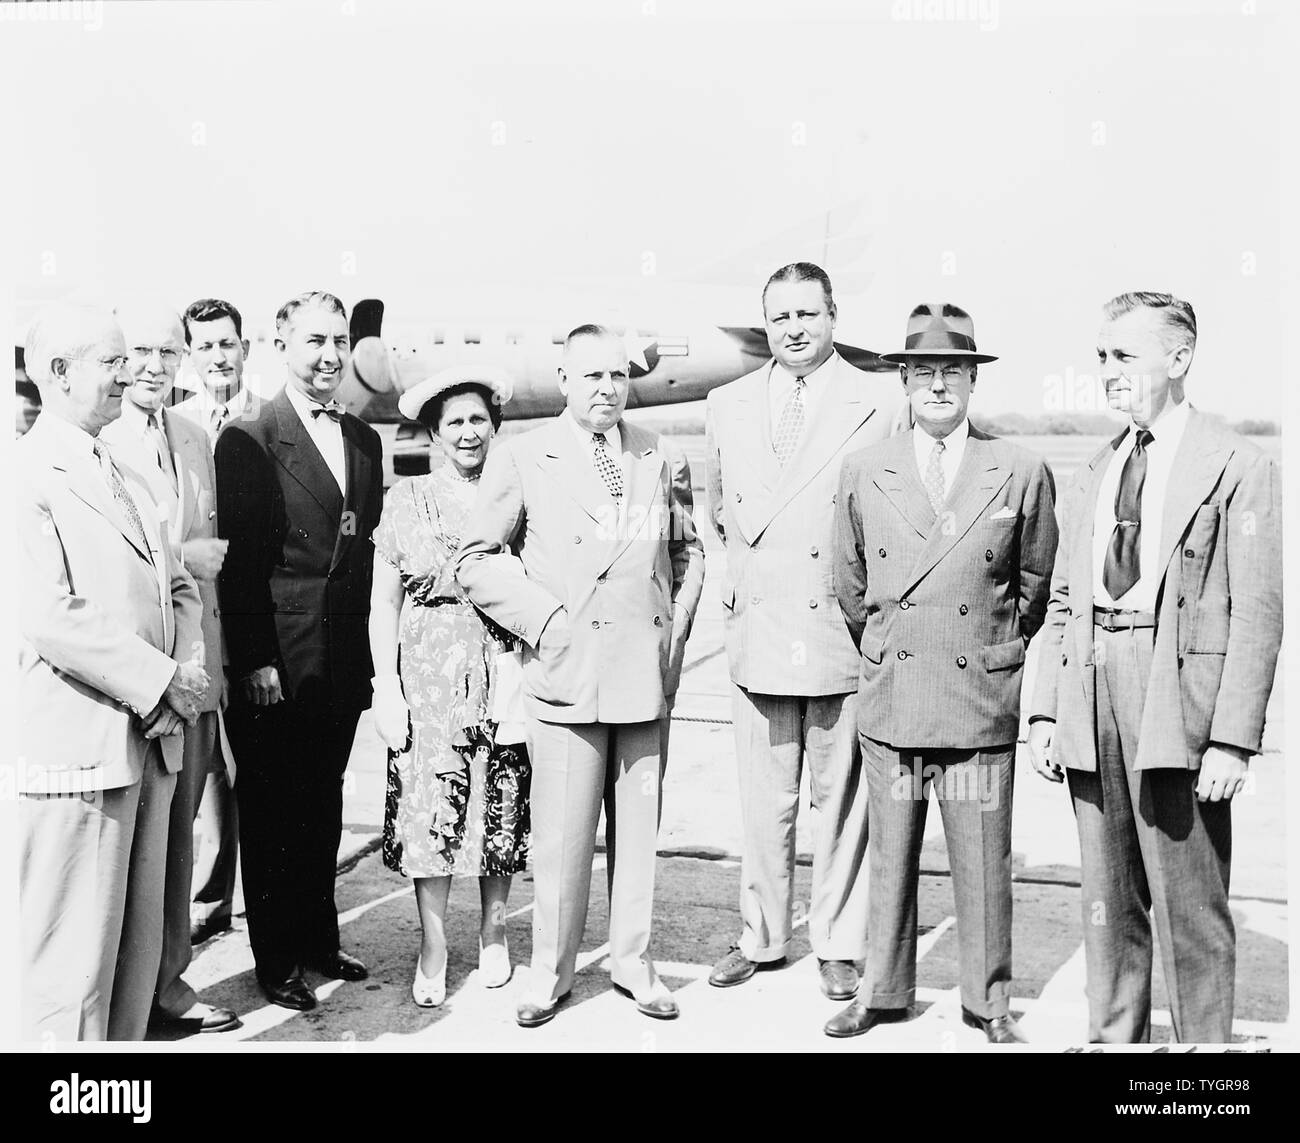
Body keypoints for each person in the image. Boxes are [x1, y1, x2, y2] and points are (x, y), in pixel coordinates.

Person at [1027, 292, 1282, 1043]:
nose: (1106, 372)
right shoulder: (1098, 466)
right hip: (1093, 680)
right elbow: (1066, 597)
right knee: (1107, 891)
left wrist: (1233, 739)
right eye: (1101, 357)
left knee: (1188, 894)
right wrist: (1046, 710)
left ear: (1179, 359)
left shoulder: (1239, 464)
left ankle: (1200, 1054)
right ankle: (1115, 1038)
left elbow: (1258, 614)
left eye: (1123, 356)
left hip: (1180, 698)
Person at [456, 324, 705, 1027]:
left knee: (638, 831)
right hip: (566, 671)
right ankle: (550, 972)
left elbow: (688, 553)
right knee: (562, 838)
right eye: (591, 376)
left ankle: (633, 962)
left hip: (643, 674)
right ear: (563, 379)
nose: (606, 388)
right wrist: (547, 620)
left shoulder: (659, 453)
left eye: (618, 376)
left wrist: (674, 630)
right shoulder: (525, 456)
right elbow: (475, 560)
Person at [825, 303, 1058, 1042]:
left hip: (975, 699)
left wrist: (992, 653)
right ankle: (883, 990)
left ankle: (989, 1003)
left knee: (985, 864)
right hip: (896, 695)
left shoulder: (1020, 468)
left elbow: (1032, 588)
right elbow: (851, 584)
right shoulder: (864, 468)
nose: (936, 385)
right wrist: (891, 649)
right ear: (902, 380)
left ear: (971, 380)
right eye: (921, 371)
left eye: (951, 371)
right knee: (890, 856)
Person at [702, 262, 901, 1000]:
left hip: (838, 627)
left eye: (807, 314)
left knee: (840, 795)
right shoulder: (726, 402)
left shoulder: (879, 398)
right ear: (766, 322)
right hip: (759, 629)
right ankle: (760, 935)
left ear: (833, 316)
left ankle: (839, 943)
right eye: (780, 316)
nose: (794, 328)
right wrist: (731, 580)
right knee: (764, 797)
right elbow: (716, 509)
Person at [16, 303, 209, 1041]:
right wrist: (161, 683)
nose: (130, 373)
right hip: (84, 752)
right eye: (113, 361)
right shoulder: (28, 473)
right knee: (73, 976)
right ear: (59, 374)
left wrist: (180, 679)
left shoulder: (126, 470)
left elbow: (180, 587)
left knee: (133, 967)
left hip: (149, 749)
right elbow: (47, 613)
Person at [216, 291, 384, 1012]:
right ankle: (276, 955)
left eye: (339, 340)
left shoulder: (364, 440)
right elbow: (240, 563)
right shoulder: (250, 436)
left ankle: (319, 936)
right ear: (280, 342)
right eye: (314, 339)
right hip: (276, 662)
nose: (328, 355)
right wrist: (253, 659)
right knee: (272, 811)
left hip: (340, 658)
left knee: (323, 805)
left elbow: (361, 549)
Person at [368, 366, 531, 1008]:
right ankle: (434, 943)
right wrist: (387, 687)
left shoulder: (515, 495)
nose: (468, 433)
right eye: (455, 422)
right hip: (428, 671)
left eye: (478, 421)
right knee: (428, 807)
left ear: (494, 428)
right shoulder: (405, 500)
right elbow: (383, 603)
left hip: (503, 667)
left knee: (501, 797)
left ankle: (494, 930)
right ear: (434, 433)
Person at [100, 302, 239, 1034]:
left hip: (198, 671)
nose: (154, 365)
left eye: (166, 351)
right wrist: (185, 558)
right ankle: (126, 998)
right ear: (120, 362)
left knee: (180, 841)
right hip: (140, 677)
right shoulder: (100, 440)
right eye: (140, 352)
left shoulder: (192, 435)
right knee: (135, 847)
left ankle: (171, 988)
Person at [172, 297, 248, 944]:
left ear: (245, 347)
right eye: (205, 347)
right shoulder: (176, 424)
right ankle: (208, 900)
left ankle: (282, 903)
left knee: (265, 766)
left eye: (227, 344)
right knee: (205, 770)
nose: (218, 357)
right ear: (190, 356)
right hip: (198, 619)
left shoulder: (269, 418)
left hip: (259, 618)